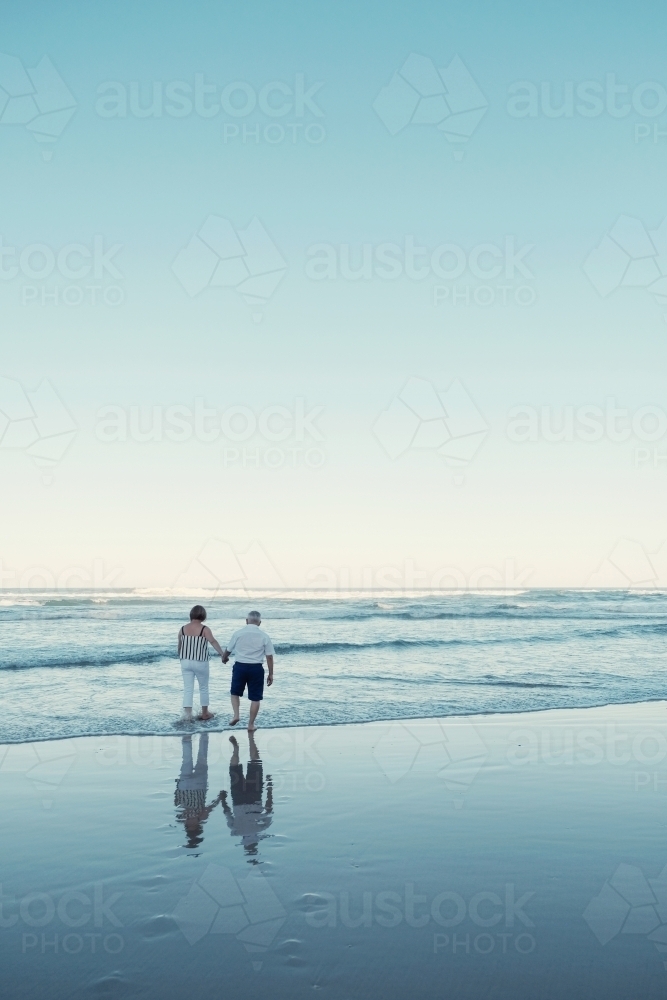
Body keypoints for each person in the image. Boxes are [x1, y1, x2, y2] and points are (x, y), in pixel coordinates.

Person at [222, 611, 275, 731]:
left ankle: (236, 715)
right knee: (255, 698)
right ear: (260, 623)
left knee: (235, 693)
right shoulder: (264, 636)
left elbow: (228, 649)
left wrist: (224, 658)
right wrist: (271, 673)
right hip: (256, 669)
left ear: (246, 621)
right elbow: (269, 656)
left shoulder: (238, 633)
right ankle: (251, 724)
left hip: (240, 667)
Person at [222, 734, 273, 856]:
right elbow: (227, 813)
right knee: (234, 769)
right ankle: (236, 750)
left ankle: (251, 738)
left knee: (255, 762)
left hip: (254, 798)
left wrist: (269, 788)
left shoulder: (261, 828)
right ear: (244, 843)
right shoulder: (235, 831)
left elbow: (269, 809)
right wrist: (223, 799)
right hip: (238, 800)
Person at [174, 733, 226, 849]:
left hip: (199, 786)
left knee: (202, 757)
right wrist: (177, 786)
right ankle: (187, 734)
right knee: (186, 759)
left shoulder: (200, 818)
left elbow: (210, 807)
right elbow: (177, 802)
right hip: (184, 787)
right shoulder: (182, 819)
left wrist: (220, 797)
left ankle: (204, 733)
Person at [178, 604, 225, 721]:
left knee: (188, 688)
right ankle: (205, 713)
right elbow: (213, 641)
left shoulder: (183, 628)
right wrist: (222, 654)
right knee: (203, 687)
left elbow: (180, 645)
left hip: (185, 661)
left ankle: (187, 716)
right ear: (203, 615)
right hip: (200, 661)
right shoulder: (204, 629)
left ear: (191, 615)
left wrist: (181, 658)